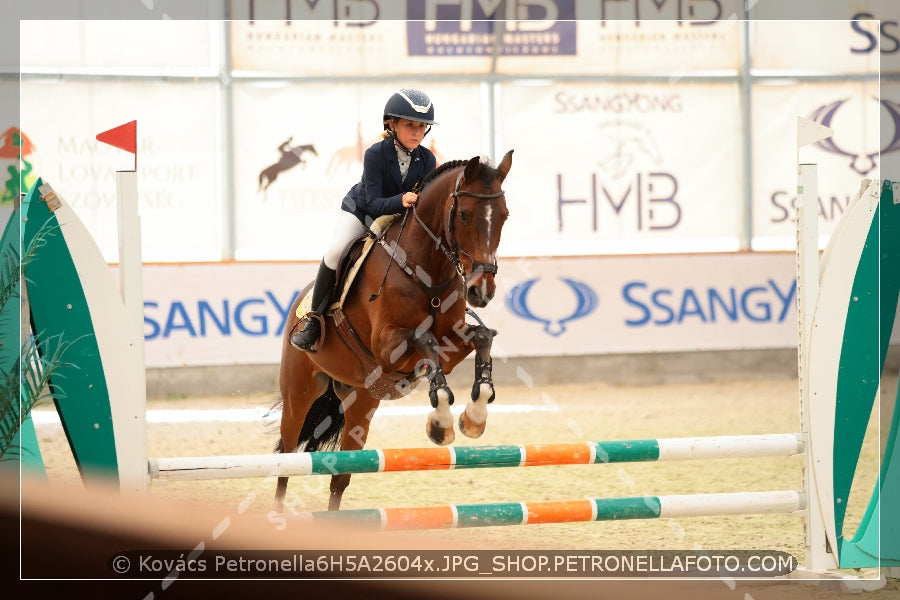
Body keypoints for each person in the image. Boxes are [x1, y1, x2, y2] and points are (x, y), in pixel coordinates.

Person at [290, 89, 438, 352]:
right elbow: (373, 202)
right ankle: (313, 321)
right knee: (335, 252)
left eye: (421, 126)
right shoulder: (375, 154)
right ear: (392, 125)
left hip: (398, 217)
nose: (416, 132)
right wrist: (401, 200)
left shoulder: (427, 159)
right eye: (409, 125)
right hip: (363, 211)